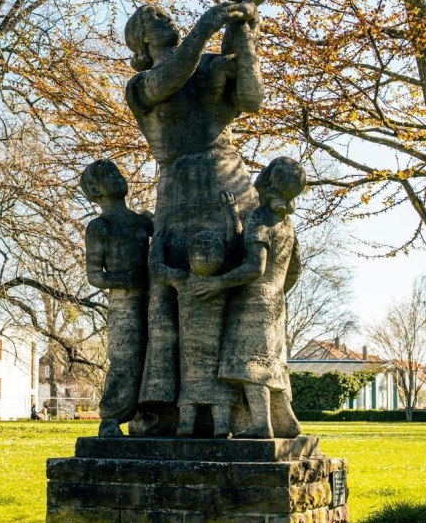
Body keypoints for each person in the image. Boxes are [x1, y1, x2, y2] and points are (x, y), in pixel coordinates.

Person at [122, 0, 265, 434]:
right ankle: (167, 410)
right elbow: (173, 76)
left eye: (165, 14)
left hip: (228, 185)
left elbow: (251, 98)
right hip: (179, 191)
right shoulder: (142, 84)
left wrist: (244, 34)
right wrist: (206, 27)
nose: (165, 18)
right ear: (142, 44)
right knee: (172, 299)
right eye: (153, 20)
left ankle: (243, 408)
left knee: (239, 288)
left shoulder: (205, 67)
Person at [191, 157, 307, 438]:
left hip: (253, 299)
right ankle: (286, 420)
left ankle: (261, 424)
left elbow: (255, 266)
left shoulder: (260, 217)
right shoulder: (286, 223)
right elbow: (295, 269)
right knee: (271, 362)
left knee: (250, 364)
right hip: (276, 301)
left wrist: (219, 283)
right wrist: (277, 291)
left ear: (266, 181)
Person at [81, 159, 154, 437]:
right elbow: (95, 275)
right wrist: (126, 280)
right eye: (107, 175)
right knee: (125, 358)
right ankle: (111, 417)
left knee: (152, 355)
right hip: (124, 305)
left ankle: (149, 415)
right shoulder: (100, 227)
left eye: (116, 171)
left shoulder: (142, 221)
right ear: (94, 191)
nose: (117, 177)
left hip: (152, 299)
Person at [153, 228, 238, 437]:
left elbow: (158, 268)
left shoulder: (187, 280)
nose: (207, 255)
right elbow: (235, 248)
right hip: (198, 357)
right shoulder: (217, 283)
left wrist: (157, 245)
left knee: (200, 390)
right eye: (202, 250)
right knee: (204, 391)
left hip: (199, 357)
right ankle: (207, 426)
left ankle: (198, 425)